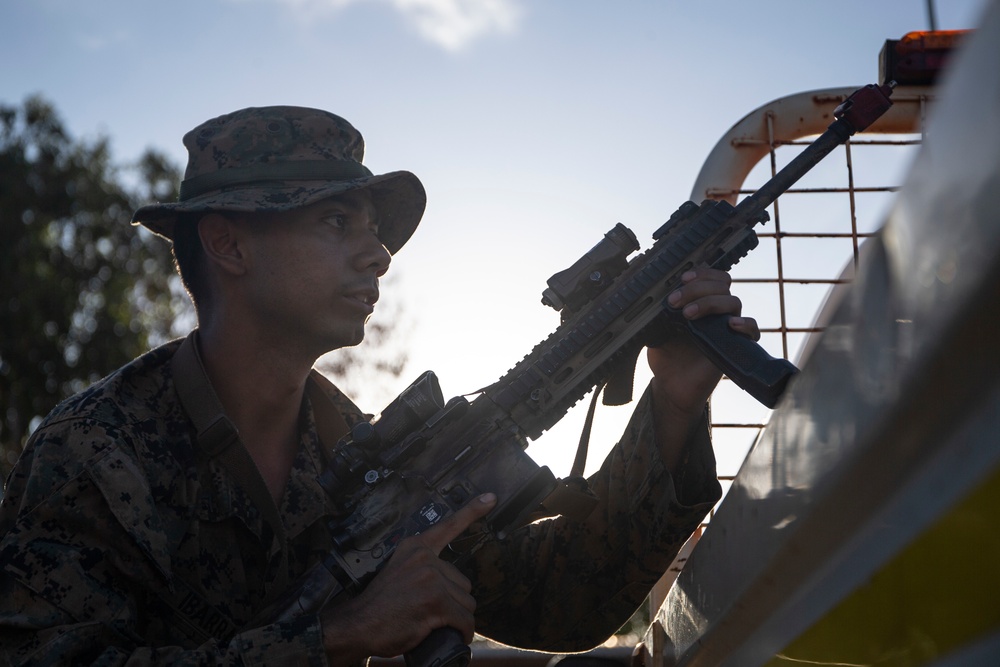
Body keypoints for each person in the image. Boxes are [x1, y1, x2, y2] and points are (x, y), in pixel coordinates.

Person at [0, 106, 758, 665]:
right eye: (337, 222)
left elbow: (565, 596)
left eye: (375, 230)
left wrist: (675, 400)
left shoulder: (365, 452)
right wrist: (335, 639)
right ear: (228, 243)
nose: (378, 257)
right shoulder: (93, 452)